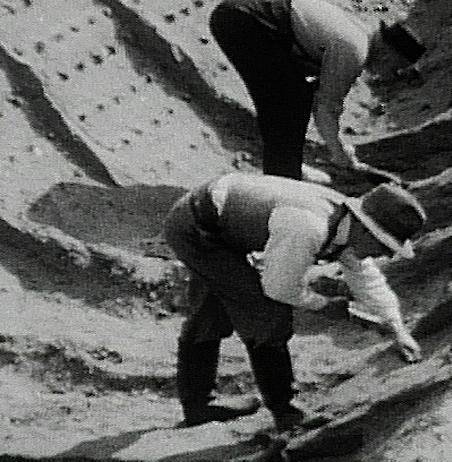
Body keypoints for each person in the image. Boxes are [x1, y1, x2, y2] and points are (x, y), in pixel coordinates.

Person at [163, 172, 427, 431]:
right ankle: (287, 412)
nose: (387, 255)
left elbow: (367, 279)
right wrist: (325, 306)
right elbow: (278, 289)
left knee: (214, 311)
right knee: (268, 315)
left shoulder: (346, 225)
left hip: (219, 221)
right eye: (386, 245)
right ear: (368, 231)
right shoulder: (309, 226)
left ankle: (198, 408)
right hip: (196, 228)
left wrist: (398, 328)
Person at [209, 0, 426, 180]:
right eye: (396, 68)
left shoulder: (360, 35)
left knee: (293, 95)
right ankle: (283, 175)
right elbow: (326, 110)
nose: (390, 74)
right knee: (290, 100)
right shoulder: (354, 51)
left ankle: (285, 168)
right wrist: (341, 154)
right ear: (389, 55)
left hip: (248, 14)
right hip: (244, 20)